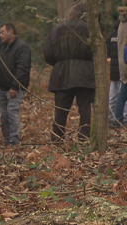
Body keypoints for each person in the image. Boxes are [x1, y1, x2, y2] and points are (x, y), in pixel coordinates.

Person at [43, 0, 95, 141]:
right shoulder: (91, 29)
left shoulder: (57, 29)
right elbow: (97, 52)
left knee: (61, 110)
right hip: (85, 74)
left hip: (62, 74)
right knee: (85, 109)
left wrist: (59, 64)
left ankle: (57, 138)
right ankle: (84, 139)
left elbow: (47, 53)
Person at [0, 23, 31, 146]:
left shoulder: (22, 47)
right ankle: (7, 141)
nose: (0, 35)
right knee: (4, 117)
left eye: (2, 32)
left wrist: (15, 87)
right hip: (2, 87)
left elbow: (22, 69)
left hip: (14, 89)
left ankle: (14, 142)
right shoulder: (3, 47)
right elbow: (0, 65)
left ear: (10, 31)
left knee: (12, 114)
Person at [107, 20, 127, 126]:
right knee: (122, 97)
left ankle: (112, 120)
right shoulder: (123, 35)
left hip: (115, 71)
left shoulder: (111, 36)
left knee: (114, 97)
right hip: (123, 71)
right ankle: (121, 119)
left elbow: (106, 51)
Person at [115, 1, 127, 126]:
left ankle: (117, 120)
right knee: (123, 93)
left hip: (124, 62)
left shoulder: (122, 22)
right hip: (125, 61)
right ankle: (117, 120)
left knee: (123, 93)